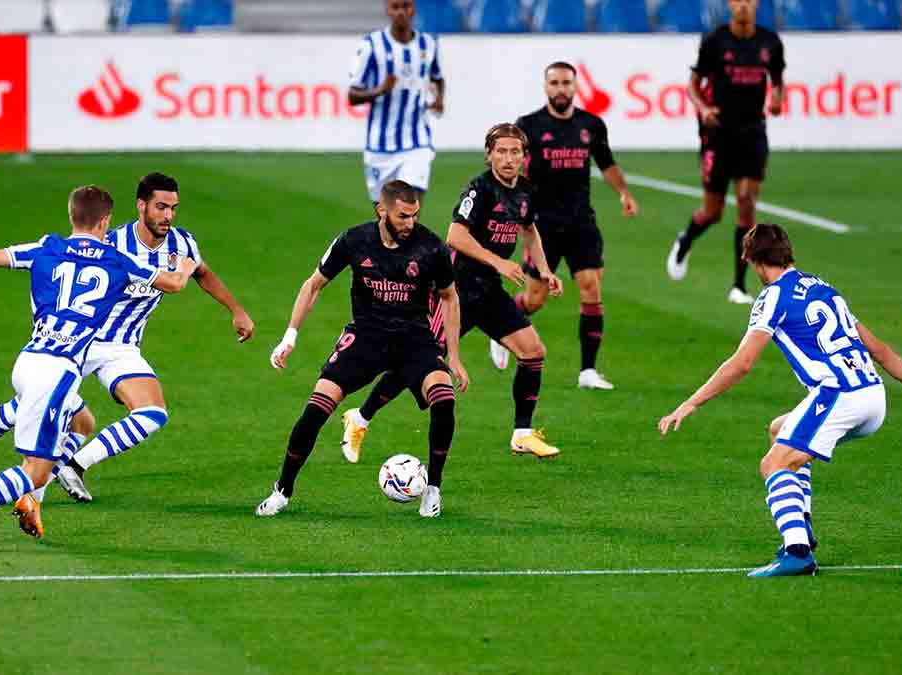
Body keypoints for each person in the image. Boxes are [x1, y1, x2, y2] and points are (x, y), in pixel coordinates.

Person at [0, 173, 254, 509]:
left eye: (173, 208)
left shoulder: (182, 244)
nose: (168, 216)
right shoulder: (113, 245)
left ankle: (74, 465)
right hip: (80, 341)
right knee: (21, 409)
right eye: (161, 207)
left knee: (152, 413)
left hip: (122, 347)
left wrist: (236, 309)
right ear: (141, 206)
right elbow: (174, 281)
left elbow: (202, 273)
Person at [0, 185, 197, 549]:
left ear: (71, 215)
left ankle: (8, 490)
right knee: (35, 472)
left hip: (29, 359)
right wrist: (185, 265)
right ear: (105, 221)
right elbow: (173, 284)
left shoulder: (47, 248)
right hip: (57, 372)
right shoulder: (118, 261)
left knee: (82, 422)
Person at [658, 224, 902, 577]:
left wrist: (692, 402)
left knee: (773, 464)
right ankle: (802, 529)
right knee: (781, 430)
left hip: (839, 394)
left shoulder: (773, 297)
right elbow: (879, 349)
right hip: (874, 396)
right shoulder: (824, 288)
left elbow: (742, 363)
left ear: (752, 260)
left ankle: (797, 553)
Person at [341, 124, 564, 464]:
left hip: (488, 290)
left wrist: (545, 271)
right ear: (489, 154)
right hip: (454, 291)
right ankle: (360, 418)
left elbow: (530, 231)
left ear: (524, 156)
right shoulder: (479, 190)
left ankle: (522, 433)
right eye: (501, 151)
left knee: (533, 352)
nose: (508, 159)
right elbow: (455, 236)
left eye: (515, 152)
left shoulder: (525, 192)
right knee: (419, 361)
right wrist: (498, 261)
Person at [258, 180, 466, 518]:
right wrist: (290, 336)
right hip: (366, 337)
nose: (410, 223)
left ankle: (433, 489)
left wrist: (453, 355)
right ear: (382, 210)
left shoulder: (431, 247)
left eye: (414, 215)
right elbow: (314, 285)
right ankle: (282, 491)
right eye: (403, 216)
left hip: (414, 339)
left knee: (444, 400)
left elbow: (450, 297)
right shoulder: (354, 240)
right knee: (315, 411)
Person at [488, 61, 640, 390]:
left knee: (591, 286)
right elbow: (511, 168)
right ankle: (501, 329)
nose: (560, 88)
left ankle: (588, 371)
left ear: (574, 86)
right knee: (535, 299)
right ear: (546, 87)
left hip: (581, 221)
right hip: (541, 225)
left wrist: (624, 193)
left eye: (566, 83)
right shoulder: (528, 126)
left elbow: (607, 163)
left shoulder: (591, 125)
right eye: (554, 83)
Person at [666, 0, 785, 304]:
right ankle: (685, 239)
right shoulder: (715, 41)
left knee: (746, 202)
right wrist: (704, 108)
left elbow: (777, 81)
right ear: (730, 4)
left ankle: (738, 285)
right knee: (712, 212)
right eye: (737, 0)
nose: (743, 5)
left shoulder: (770, 42)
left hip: (753, 131)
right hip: (718, 133)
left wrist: (776, 98)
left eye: (749, 0)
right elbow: (693, 86)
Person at [348, 0, 445, 203]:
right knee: (386, 216)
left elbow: (437, 77)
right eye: (395, 7)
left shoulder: (428, 43)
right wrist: (380, 90)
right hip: (380, 146)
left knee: (409, 208)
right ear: (387, 9)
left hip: (417, 141)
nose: (401, 12)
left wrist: (438, 99)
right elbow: (353, 95)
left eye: (406, 6)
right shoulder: (371, 45)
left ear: (414, 9)